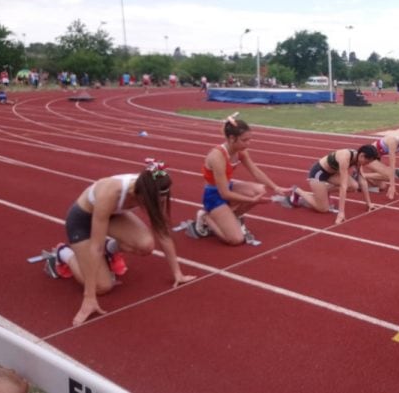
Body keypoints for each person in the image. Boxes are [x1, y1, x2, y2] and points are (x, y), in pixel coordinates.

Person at [43, 159, 196, 326]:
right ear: (141, 195)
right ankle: (63, 253)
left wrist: (177, 273)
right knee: (103, 286)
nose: (159, 204)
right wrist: (89, 297)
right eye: (155, 202)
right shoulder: (110, 192)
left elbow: (162, 231)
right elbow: (96, 246)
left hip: (111, 216)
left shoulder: (157, 187)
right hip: (82, 222)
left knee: (146, 245)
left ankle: (110, 250)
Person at [188, 113, 289, 244]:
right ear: (231, 138)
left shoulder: (240, 151)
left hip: (227, 186)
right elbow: (224, 193)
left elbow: (255, 171)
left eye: (249, 139)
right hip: (214, 195)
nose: (248, 143)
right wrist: (252, 200)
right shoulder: (217, 157)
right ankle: (206, 217)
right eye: (244, 140)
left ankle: (231, 217)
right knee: (236, 240)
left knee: (260, 190)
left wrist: (275, 187)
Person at [289, 145, 380, 225]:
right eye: (367, 162)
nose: (367, 164)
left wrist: (369, 203)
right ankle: (297, 190)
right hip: (319, 174)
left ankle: (324, 192)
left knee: (354, 186)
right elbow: (343, 186)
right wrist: (341, 213)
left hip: (332, 174)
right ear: (362, 155)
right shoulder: (345, 157)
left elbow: (362, 180)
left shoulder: (359, 158)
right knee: (323, 209)